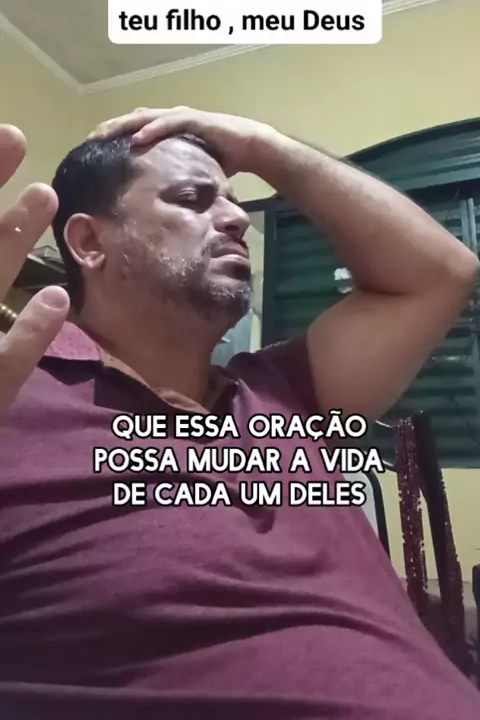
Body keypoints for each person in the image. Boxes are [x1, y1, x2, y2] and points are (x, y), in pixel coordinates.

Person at [0, 107, 479, 720]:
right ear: (90, 243)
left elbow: (441, 273)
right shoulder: (16, 396)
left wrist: (263, 145)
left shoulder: (286, 392)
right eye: (192, 199)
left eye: (233, 201)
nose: (235, 219)